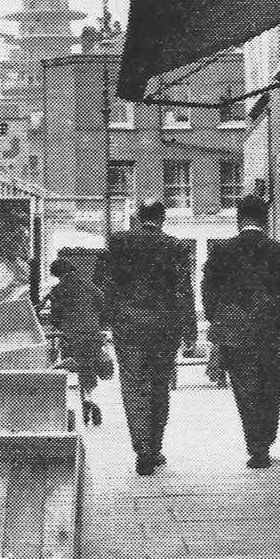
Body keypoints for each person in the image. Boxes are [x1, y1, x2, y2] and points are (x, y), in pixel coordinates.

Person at [201, 194, 280, 468]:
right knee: (271, 386)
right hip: (272, 333)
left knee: (244, 389)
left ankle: (256, 445)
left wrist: (219, 318)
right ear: (265, 218)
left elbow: (208, 291)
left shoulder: (221, 250)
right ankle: (266, 438)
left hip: (234, 332)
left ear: (238, 219)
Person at [95, 200, 197, 475]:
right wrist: (190, 331)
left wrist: (108, 320)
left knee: (133, 386)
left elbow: (104, 283)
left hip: (128, 327)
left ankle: (142, 448)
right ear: (162, 218)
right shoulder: (176, 247)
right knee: (160, 386)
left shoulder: (118, 242)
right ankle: (155, 446)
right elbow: (184, 290)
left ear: (138, 217)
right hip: (165, 327)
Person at [48, 257, 108, 427]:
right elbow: (104, 305)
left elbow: (55, 318)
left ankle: (73, 404)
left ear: (58, 274)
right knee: (88, 367)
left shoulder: (58, 290)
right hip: (92, 336)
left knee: (75, 366)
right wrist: (96, 324)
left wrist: (65, 324)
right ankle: (88, 398)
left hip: (71, 337)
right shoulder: (89, 285)